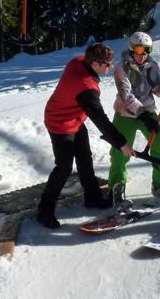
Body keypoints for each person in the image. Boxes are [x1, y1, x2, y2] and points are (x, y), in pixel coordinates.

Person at [37, 43, 135, 229]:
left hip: (74, 117)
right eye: (107, 64)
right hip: (60, 122)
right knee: (64, 167)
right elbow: (100, 119)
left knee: (84, 158)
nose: (110, 67)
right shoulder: (86, 88)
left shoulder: (79, 61)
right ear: (95, 63)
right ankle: (44, 211)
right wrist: (121, 143)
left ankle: (93, 198)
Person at [108, 32, 160, 209]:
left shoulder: (152, 65)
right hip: (126, 114)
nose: (143, 54)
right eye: (139, 49)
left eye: (147, 50)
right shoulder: (121, 68)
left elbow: (159, 91)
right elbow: (126, 96)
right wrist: (142, 114)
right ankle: (116, 188)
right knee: (120, 151)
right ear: (132, 49)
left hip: (147, 112)